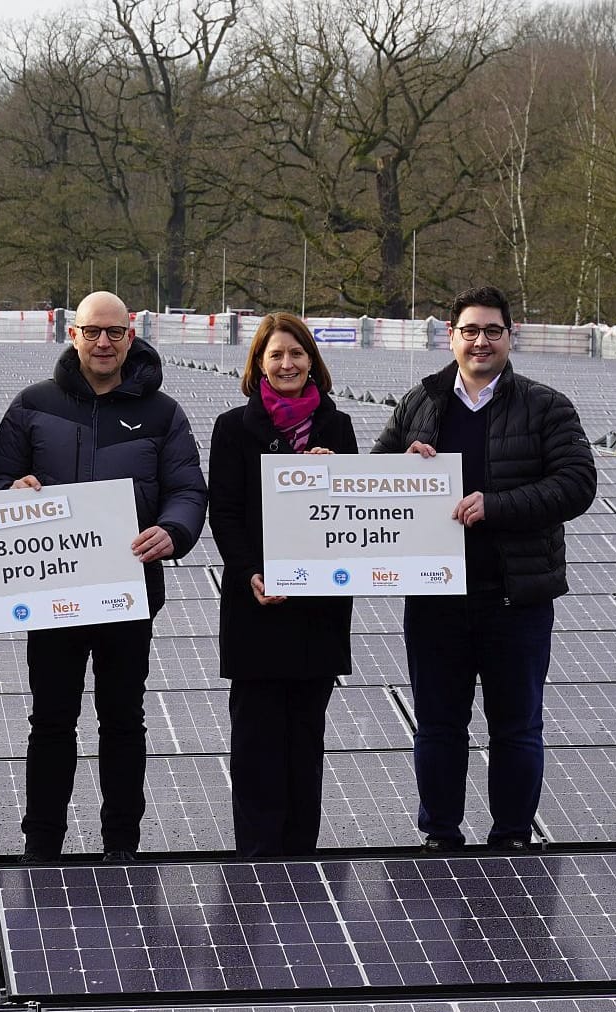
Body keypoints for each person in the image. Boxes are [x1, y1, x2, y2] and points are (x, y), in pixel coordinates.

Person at [372, 285, 596, 851]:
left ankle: (513, 838)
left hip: (513, 597)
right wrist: (400, 468)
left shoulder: (547, 407)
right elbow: (373, 476)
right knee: (439, 728)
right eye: (469, 330)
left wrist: (495, 506)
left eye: (492, 330)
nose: (480, 341)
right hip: (434, 599)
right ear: (451, 336)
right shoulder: (419, 402)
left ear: (509, 337)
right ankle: (440, 835)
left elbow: (576, 485)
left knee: (516, 729)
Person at [0, 290, 207, 862]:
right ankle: (42, 843)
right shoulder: (33, 405)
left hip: (129, 592)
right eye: (93, 332)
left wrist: (174, 532)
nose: (103, 342)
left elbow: (186, 489)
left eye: (114, 332)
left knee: (123, 719)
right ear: (73, 334)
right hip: (53, 591)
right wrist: (12, 491)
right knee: (52, 720)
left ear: (131, 335)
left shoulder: (163, 412)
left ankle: (121, 842)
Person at [207, 312, 358, 858]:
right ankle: (257, 852)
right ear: (259, 365)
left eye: (297, 354)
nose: (288, 363)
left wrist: (333, 471)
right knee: (255, 738)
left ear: (312, 362)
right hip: (256, 604)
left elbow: (353, 513)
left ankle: (300, 850)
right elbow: (223, 512)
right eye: (276, 355)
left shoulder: (336, 429)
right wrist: (251, 572)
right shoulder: (233, 428)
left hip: (317, 608)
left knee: (305, 737)